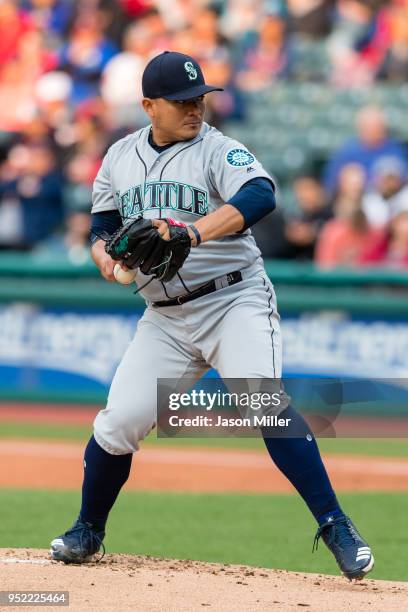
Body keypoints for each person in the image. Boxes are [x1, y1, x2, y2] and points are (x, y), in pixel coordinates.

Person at [50, 51, 374, 581]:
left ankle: (335, 524)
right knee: (119, 423)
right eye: (182, 102)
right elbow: (102, 229)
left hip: (232, 301)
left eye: (200, 98)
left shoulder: (217, 148)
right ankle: (88, 531)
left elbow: (261, 194)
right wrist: (109, 263)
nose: (196, 108)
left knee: (263, 401)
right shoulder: (118, 158)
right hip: (165, 318)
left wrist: (193, 233)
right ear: (149, 106)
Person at [323, 105, 407, 197]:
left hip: (393, 200)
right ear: (360, 128)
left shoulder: (395, 148)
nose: (374, 130)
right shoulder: (347, 152)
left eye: (378, 126)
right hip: (359, 203)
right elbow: (330, 185)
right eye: (369, 126)